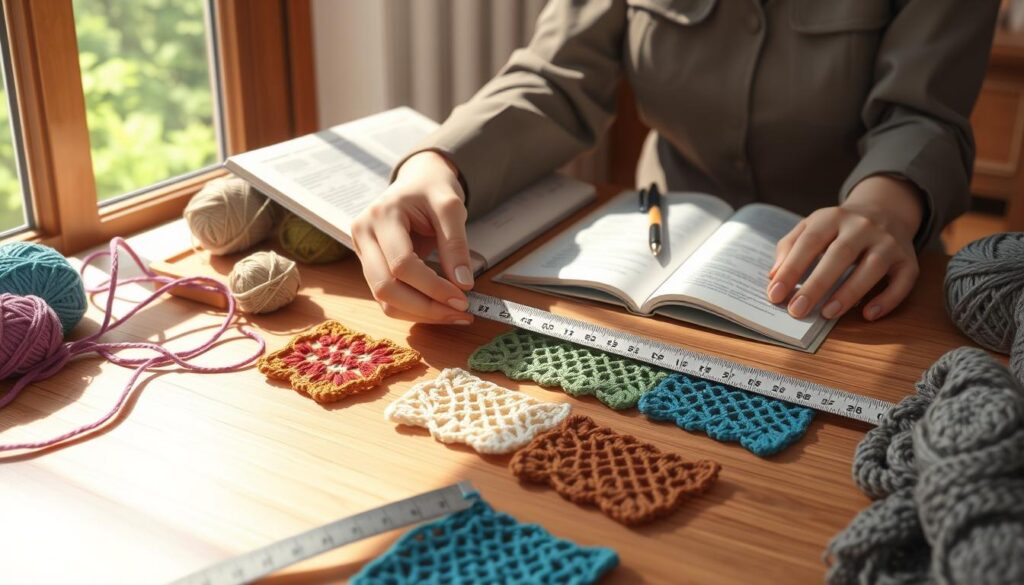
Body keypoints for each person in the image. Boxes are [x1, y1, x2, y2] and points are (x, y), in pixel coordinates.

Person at [351, 0, 1000, 326]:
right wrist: (440, 162)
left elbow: (925, 115)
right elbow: (556, 75)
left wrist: (882, 206)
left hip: (856, 285)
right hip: (655, 262)